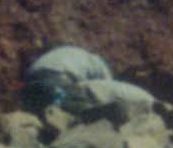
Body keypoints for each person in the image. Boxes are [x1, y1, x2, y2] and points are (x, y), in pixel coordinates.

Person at [21, 45, 154, 116]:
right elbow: (107, 89)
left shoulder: (78, 55)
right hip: (57, 76)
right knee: (82, 106)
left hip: (31, 78)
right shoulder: (101, 65)